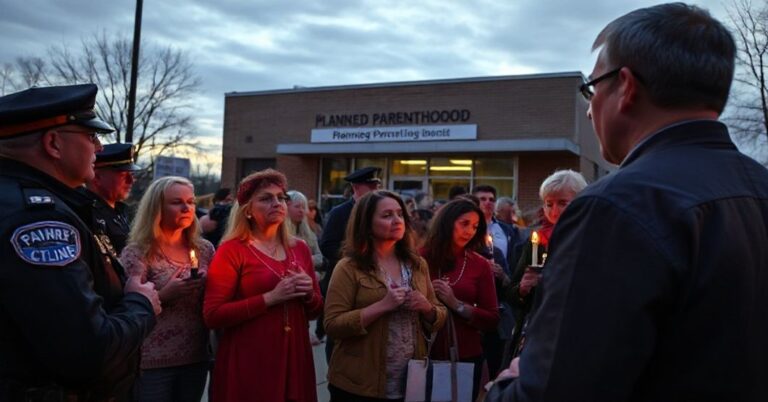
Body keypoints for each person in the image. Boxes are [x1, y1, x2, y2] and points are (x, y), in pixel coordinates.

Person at [488, 4, 768, 401]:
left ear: (626, 87)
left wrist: (507, 383)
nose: (589, 108)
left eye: (592, 87)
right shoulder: (759, 185)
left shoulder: (616, 207)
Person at [0, 84, 160, 401]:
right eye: (90, 136)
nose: (99, 147)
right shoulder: (37, 220)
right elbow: (87, 352)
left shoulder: (24, 201)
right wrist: (141, 304)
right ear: (54, 143)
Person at [203, 168, 322, 402]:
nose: (277, 203)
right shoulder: (232, 250)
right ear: (247, 210)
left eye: (281, 197)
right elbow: (212, 315)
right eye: (266, 198)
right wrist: (270, 298)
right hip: (251, 356)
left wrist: (308, 293)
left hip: (294, 353)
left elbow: (316, 310)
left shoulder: (300, 248)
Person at [324, 190, 447, 401]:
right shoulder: (349, 267)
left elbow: (439, 315)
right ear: (367, 224)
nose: (397, 220)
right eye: (387, 215)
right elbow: (333, 324)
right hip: (360, 383)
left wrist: (426, 308)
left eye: (400, 214)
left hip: (409, 381)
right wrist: (382, 306)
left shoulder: (416, 264)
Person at [120, 176, 214, 401]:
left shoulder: (204, 249)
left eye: (191, 202)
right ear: (157, 208)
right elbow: (126, 310)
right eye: (176, 202)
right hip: (152, 361)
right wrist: (164, 295)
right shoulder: (139, 251)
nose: (186, 208)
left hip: (195, 356)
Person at [421, 198, 500, 400]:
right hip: (423, 351)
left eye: (475, 226)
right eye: (464, 224)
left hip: (465, 353)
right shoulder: (419, 258)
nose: (470, 231)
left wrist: (456, 304)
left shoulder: (479, 264)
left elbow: (492, 318)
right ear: (448, 222)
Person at [506, 170, 587, 359]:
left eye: (563, 203)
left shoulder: (590, 238)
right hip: (535, 331)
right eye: (549, 204)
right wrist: (522, 289)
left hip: (573, 331)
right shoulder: (536, 241)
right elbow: (511, 293)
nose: (554, 211)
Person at [319, 166, 381, 361]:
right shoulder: (341, 212)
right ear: (356, 188)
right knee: (339, 330)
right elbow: (328, 245)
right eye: (370, 186)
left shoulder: (379, 211)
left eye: (376, 186)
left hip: (374, 280)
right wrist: (354, 261)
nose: (375, 190)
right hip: (344, 279)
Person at [472, 184, 523, 377]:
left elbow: (511, 266)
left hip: (499, 299)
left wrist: (503, 275)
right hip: (472, 300)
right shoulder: (467, 229)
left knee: (497, 356)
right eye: (482, 199)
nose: (487, 203)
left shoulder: (506, 230)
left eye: (491, 199)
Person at [80, 143, 141, 254]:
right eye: (123, 175)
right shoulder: (86, 214)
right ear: (97, 177)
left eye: (131, 174)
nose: (131, 181)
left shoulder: (121, 212)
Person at [286, 190, 325, 345]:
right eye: (298, 207)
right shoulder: (279, 233)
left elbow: (320, 257)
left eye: (304, 207)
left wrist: (308, 266)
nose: (302, 211)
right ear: (287, 207)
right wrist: (308, 262)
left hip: (309, 284)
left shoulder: (309, 233)